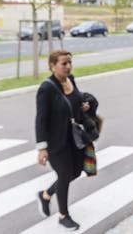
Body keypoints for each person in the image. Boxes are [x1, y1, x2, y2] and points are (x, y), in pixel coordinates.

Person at [35, 50, 90, 230]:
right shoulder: (46, 88)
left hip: (73, 137)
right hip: (56, 141)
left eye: (69, 63)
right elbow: (41, 119)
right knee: (65, 175)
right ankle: (63, 215)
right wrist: (42, 148)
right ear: (52, 66)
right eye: (63, 64)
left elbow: (77, 99)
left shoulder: (70, 79)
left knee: (75, 172)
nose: (68, 67)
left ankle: (45, 194)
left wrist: (84, 104)